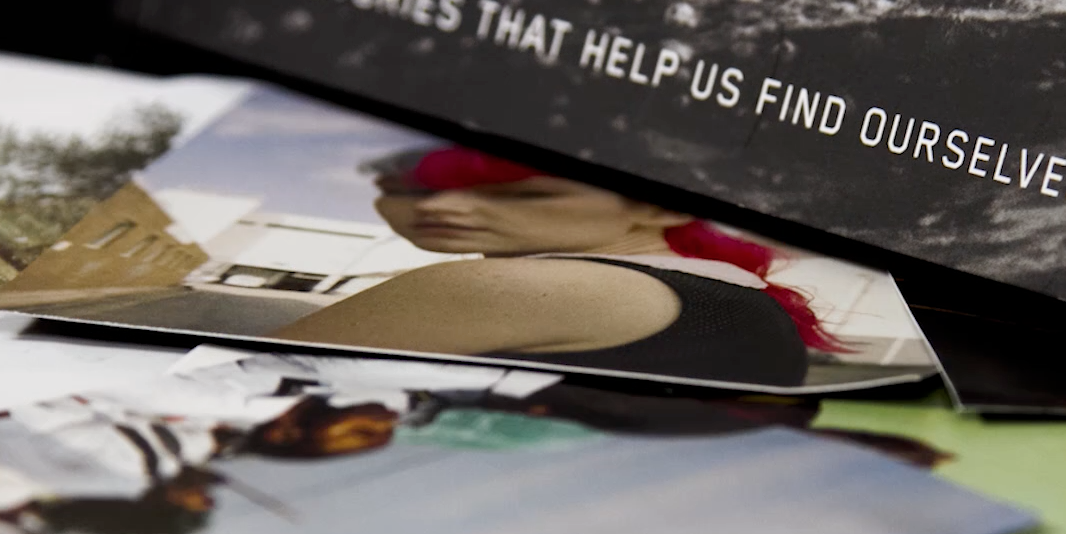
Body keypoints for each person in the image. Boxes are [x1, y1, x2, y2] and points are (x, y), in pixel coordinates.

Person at [270, 146, 852, 388]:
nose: (442, 208)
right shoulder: (745, 301)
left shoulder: (490, 286)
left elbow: (248, 376)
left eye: (525, 195)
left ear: (662, 206)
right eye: (410, 190)